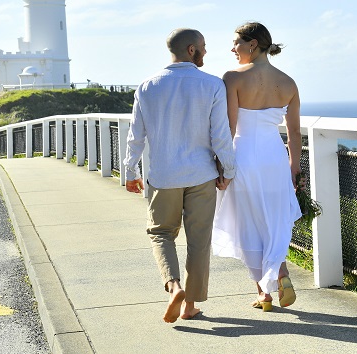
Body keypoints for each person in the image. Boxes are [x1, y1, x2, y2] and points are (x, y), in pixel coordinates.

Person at [123, 28, 236, 323]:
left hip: (163, 175)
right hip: (201, 175)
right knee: (199, 240)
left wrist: (130, 170)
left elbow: (136, 135)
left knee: (161, 233)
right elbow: (220, 136)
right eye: (203, 47)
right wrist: (228, 170)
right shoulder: (212, 85)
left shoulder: (147, 86)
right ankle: (190, 306)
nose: (206, 52)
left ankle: (174, 286)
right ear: (191, 50)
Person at [211, 22, 302, 311]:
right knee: (274, 219)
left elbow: (229, 126)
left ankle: (264, 292)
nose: (232, 49)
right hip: (274, 157)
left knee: (248, 222)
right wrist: (294, 168)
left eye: (236, 42)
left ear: (252, 44)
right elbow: (295, 133)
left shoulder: (233, 78)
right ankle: (280, 273)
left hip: (244, 155)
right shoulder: (288, 82)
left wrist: (223, 167)